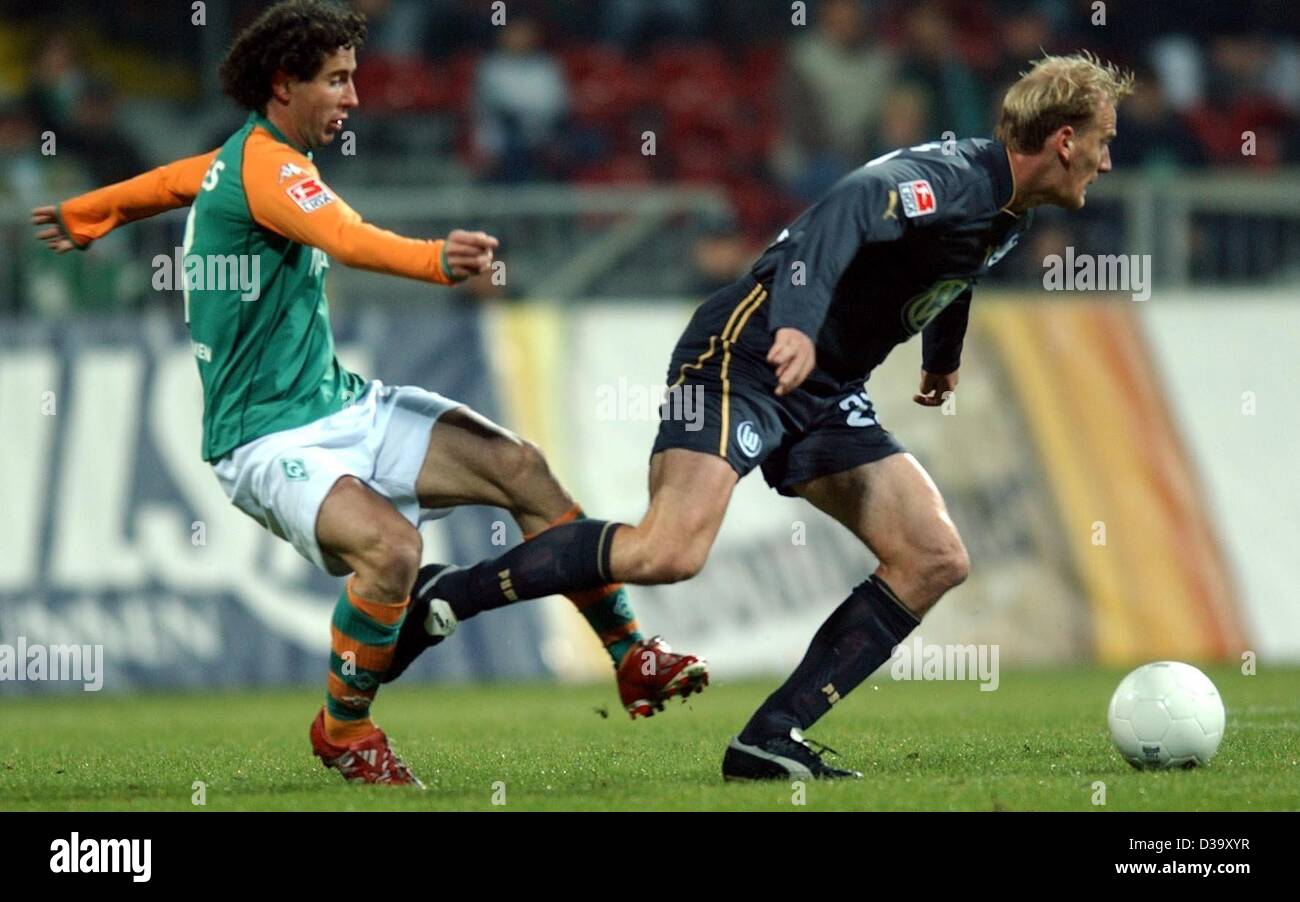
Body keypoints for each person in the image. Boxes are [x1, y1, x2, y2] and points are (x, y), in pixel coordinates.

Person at [390, 51, 1134, 780]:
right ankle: (447, 593)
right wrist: (800, 324)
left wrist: (942, 356)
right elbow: (843, 212)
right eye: (1102, 141)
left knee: (933, 557)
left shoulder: (1005, 207)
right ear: (1064, 139)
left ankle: (771, 736)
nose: (1106, 161)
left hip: (827, 388)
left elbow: (952, 267)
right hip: (746, 350)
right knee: (667, 553)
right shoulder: (954, 178)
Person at [31, 0, 706, 789]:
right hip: (266, 440)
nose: (354, 97)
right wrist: (435, 261)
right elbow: (348, 239)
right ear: (284, 85)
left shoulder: (240, 159)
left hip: (344, 405)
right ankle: (344, 731)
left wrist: (94, 210)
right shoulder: (269, 169)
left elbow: (177, 180)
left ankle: (631, 656)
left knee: (520, 468)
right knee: (391, 551)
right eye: (337, 80)